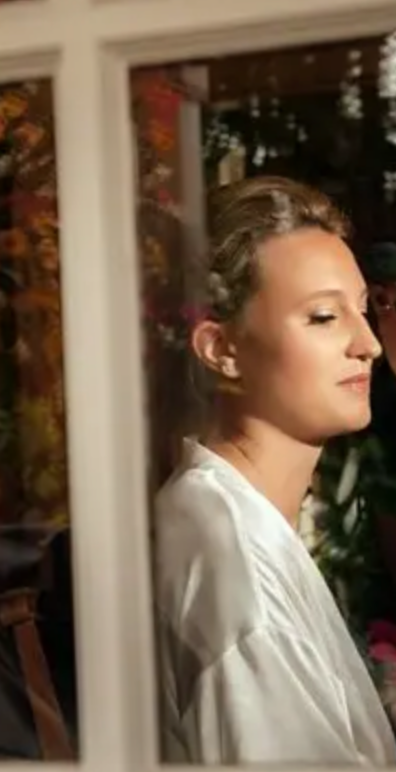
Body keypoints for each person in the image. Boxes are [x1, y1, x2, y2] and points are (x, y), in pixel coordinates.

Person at [154, 176, 396, 765]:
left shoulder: (231, 518)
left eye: (364, 310)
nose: (367, 343)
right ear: (221, 349)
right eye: (322, 317)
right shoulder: (234, 563)